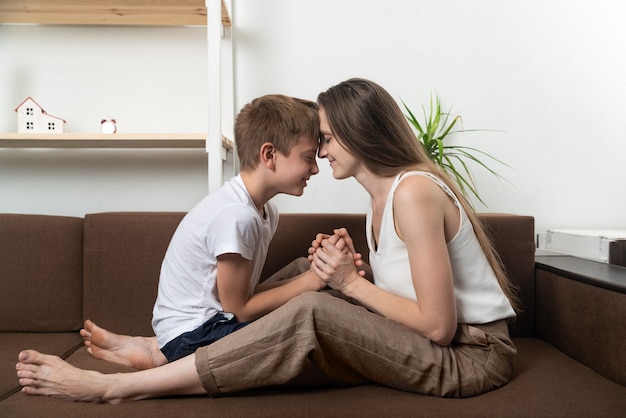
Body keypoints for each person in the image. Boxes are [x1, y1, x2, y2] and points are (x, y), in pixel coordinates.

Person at [16, 78, 520, 403]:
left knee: (313, 309)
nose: (320, 154)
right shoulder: (381, 200)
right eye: (315, 143)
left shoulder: (411, 193)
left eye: (325, 138)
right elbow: (408, 294)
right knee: (312, 285)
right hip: (445, 345)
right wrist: (341, 270)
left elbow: (436, 325)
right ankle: (162, 350)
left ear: (358, 134)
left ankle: (115, 389)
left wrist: (347, 284)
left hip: (472, 357)